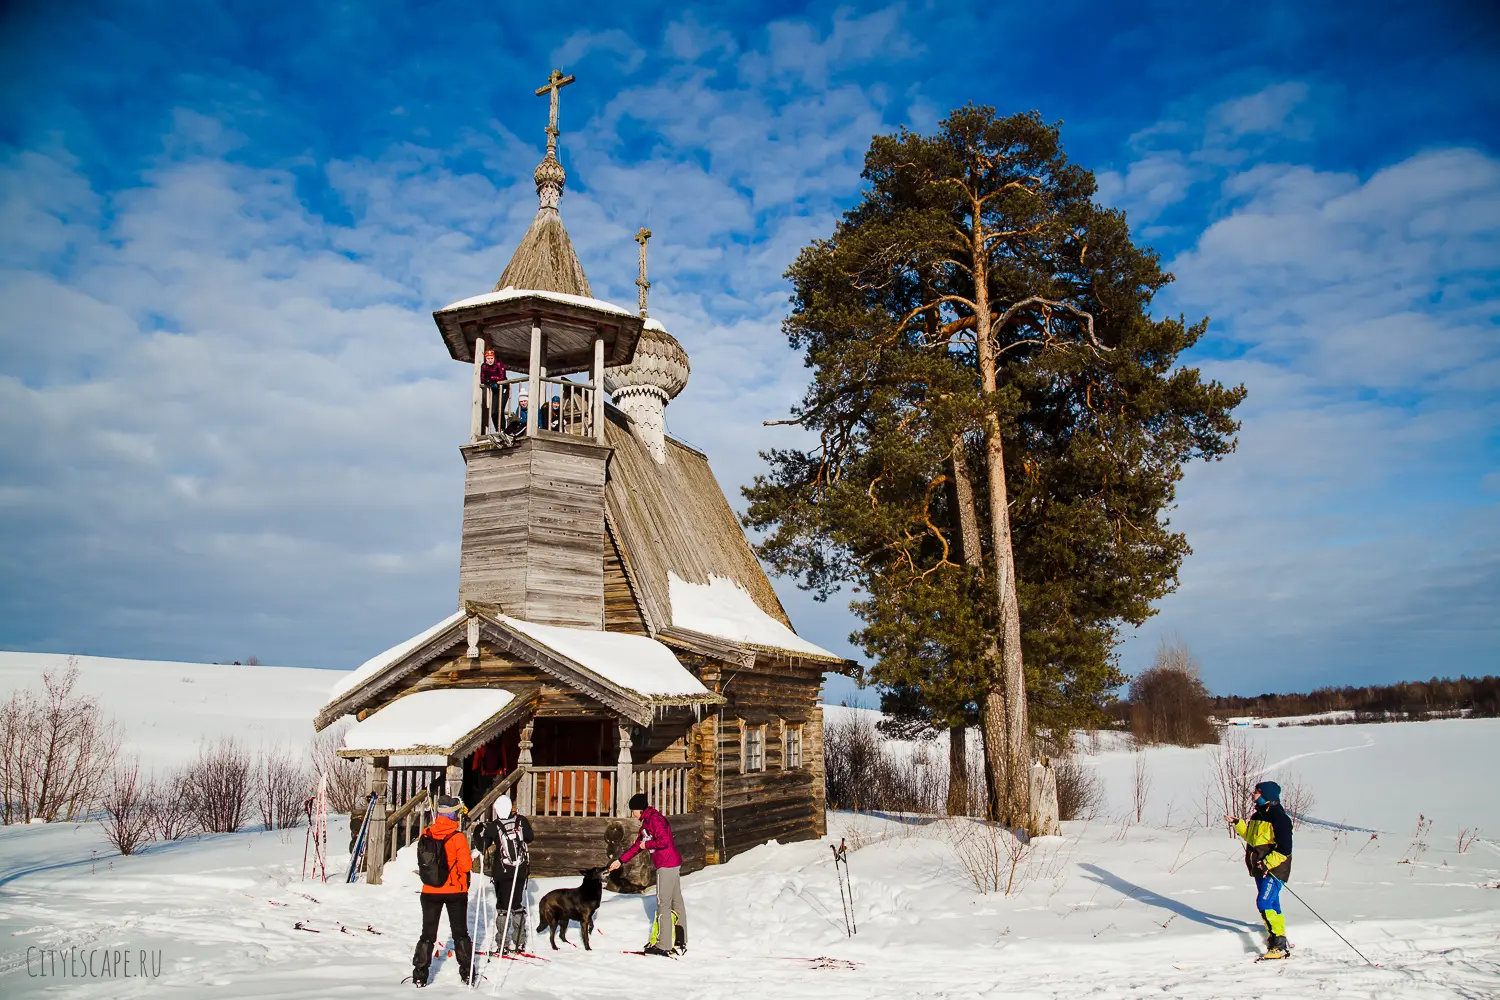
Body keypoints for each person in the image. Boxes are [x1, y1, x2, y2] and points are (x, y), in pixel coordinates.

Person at [606, 793, 686, 956]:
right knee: (676, 900)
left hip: (667, 864)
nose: (632, 814)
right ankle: (679, 939)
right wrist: (620, 861)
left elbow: (664, 841)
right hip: (669, 863)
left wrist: (647, 843)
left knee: (663, 903)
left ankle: (664, 944)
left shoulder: (655, 820)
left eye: (633, 810)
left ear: (639, 809)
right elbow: (637, 846)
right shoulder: (647, 823)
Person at [411, 794, 474, 987]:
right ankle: (467, 972)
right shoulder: (458, 837)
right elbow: (465, 866)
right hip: (455, 890)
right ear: (454, 815)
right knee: (460, 933)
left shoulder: (426, 833)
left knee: (427, 934)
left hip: (430, 890)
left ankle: (420, 974)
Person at [1227, 780, 1294, 960]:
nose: (1253, 795)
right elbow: (1251, 837)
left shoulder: (1280, 818)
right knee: (1272, 904)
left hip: (1275, 869)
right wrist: (1238, 823)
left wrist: (1267, 864)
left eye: (1256, 792)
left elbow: (1285, 849)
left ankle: (1278, 945)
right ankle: (1278, 937)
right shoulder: (1257, 816)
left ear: (1266, 795)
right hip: (1259, 868)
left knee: (1263, 902)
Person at [476, 794, 534, 955]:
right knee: (517, 904)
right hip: (520, 869)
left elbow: (482, 845)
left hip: (501, 871)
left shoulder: (494, 826)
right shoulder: (521, 821)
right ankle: (520, 941)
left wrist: (479, 833)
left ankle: (502, 943)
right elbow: (530, 838)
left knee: (503, 906)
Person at [479, 349, 507, 432]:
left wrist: (492, 379)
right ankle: (498, 429)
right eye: (488, 358)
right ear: (486, 359)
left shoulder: (499, 364)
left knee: (500, 409)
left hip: (503, 388)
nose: (490, 360)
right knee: (493, 412)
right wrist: (490, 382)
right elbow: (482, 379)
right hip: (494, 389)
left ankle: (503, 428)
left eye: (491, 358)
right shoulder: (484, 366)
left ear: (494, 358)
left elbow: (502, 377)